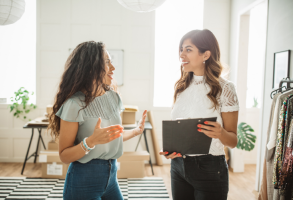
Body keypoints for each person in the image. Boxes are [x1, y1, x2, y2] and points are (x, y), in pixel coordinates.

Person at [48, 41, 147, 200]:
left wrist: (135, 132)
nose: (112, 68)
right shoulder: (73, 104)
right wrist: (90, 142)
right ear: (90, 67)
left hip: (111, 178)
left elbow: (110, 137)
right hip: (83, 181)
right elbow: (64, 155)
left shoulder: (114, 97)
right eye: (107, 62)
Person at [159, 29, 239, 200]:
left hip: (210, 169)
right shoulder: (180, 87)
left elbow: (233, 141)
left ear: (206, 54)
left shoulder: (225, 88)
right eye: (181, 49)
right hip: (178, 167)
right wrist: (171, 151)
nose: (182, 54)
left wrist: (221, 133)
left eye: (188, 49)